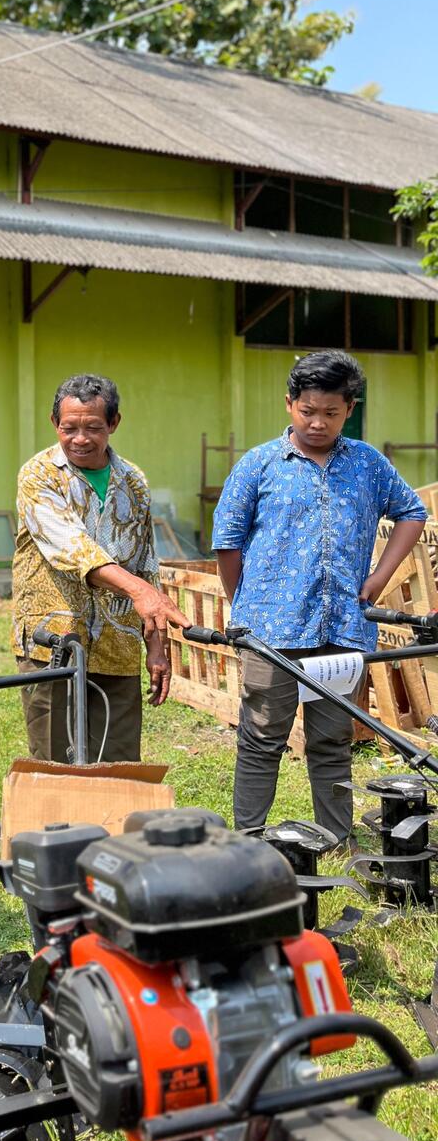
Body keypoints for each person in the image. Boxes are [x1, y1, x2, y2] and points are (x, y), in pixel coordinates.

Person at [213, 350, 427, 841]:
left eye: (330, 413)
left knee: (333, 737)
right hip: (272, 630)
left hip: (344, 626)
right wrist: (242, 605)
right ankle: (250, 838)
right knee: (262, 735)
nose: (317, 423)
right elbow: (228, 540)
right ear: (289, 404)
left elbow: (411, 513)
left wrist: (378, 578)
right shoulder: (260, 464)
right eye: (307, 411)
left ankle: (335, 839)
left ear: (349, 410)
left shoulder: (368, 464)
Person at [12, 373, 189, 763]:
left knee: (118, 761)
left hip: (118, 638)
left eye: (92, 427)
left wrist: (156, 645)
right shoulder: (39, 474)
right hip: (55, 638)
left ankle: (114, 826)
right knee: (53, 760)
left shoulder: (134, 482)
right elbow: (70, 546)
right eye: (68, 427)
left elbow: (145, 563)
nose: (79, 438)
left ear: (113, 423)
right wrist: (139, 591)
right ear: (54, 423)